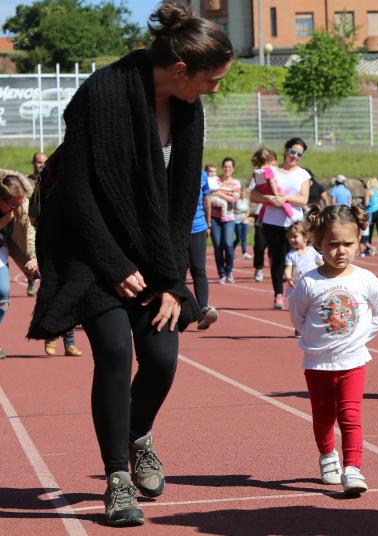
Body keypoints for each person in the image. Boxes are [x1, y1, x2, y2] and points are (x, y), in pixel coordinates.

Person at [27, 2, 232, 526]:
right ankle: (117, 479)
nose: (214, 90)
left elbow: (182, 194)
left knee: (162, 358)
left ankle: (138, 435)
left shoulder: (188, 108)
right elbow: (78, 191)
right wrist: (114, 265)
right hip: (87, 251)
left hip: (151, 255)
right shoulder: (103, 92)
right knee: (116, 353)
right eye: (212, 80)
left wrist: (169, 281)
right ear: (182, 70)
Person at [289, 204, 378, 495]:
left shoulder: (364, 279)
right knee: (323, 417)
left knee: (351, 416)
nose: (341, 251)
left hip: (353, 362)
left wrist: (360, 336)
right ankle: (327, 457)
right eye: (333, 244)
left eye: (348, 243)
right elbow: (297, 317)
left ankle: (353, 469)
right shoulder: (309, 282)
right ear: (318, 244)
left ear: (358, 242)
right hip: (318, 364)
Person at [249, 137, 311, 309]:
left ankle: (299, 294)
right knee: (277, 260)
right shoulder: (271, 170)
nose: (295, 156)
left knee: (298, 260)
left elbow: (303, 199)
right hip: (272, 222)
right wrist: (268, 198)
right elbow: (254, 195)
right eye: (293, 152)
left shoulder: (303, 174)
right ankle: (278, 295)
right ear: (286, 150)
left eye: (299, 154)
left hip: (295, 223)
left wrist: (285, 198)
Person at [0, 174, 36, 360]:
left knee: (3, 292)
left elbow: (29, 230)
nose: (17, 208)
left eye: (20, 204)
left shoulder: (20, 208)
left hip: (2, 250)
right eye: (13, 205)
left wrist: (33, 258)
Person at [191, 169, 217, 331]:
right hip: (176, 230)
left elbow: (206, 199)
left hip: (198, 227)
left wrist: (208, 223)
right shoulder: (169, 167)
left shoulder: (201, 174)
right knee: (178, 274)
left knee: (199, 269)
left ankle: (204, 311)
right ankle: (185, 312)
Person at [209, 157, 240, 284]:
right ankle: (221, 273)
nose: (227, 169)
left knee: (228, 244)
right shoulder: (215, 180)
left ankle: (229, 270)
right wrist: (225, 195)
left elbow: (234, 200)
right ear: (222, 168)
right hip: (214, 217)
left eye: (230, 167)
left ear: (233, 169)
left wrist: (218, 193)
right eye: (225, 166)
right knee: (217, 246)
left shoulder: (236, 183)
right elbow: (209, 192)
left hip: (229, 218)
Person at [26, 152, 45, 296]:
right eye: (39, 162)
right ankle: (32, 279)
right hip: (30, 223)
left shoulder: (49, 180)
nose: (41, 165)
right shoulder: (26, 181)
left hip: (46, 221)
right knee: (31, 252)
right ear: (33, 163)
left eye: (44, 162)